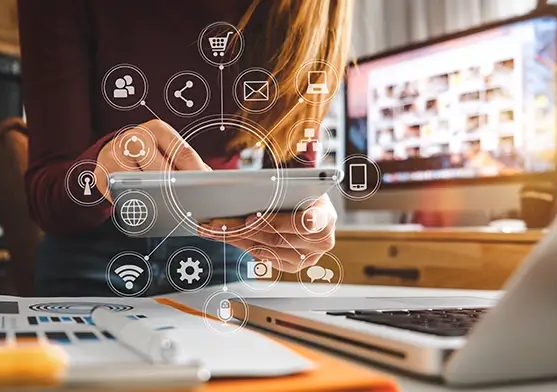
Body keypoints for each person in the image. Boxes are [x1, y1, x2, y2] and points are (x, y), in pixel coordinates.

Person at [18, 0, 352, 297]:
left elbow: (293, 172)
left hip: (220, 246)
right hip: (88, 248)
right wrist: (101, 169)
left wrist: (305, 217)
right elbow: (46, 198)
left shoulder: (308, 9)